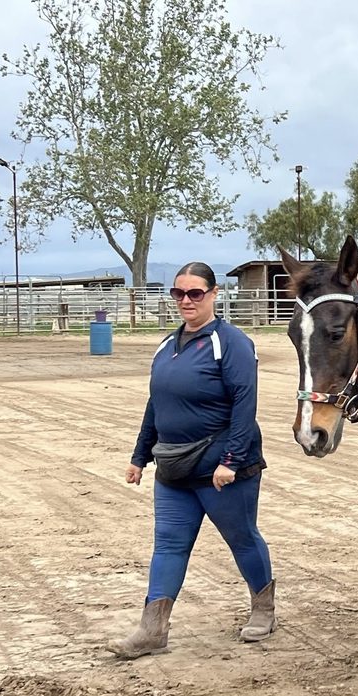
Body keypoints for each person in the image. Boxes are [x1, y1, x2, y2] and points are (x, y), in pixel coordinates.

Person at [107, 262, 275, 659]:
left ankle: (264, 608)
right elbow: (157, 404)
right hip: (173, 469)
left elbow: (244, 406)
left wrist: (230, 460)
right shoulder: (167, 345)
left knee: (242, 539)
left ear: (214, 294)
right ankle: (152, 630)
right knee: (167, 545)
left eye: (195, 293)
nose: (186, 300)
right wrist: (139, 456)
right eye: (179, 293)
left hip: (221, 471)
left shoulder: (231, 342)